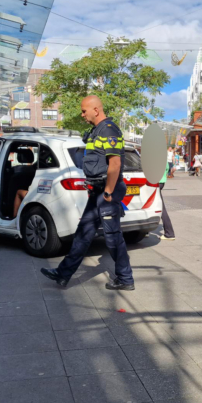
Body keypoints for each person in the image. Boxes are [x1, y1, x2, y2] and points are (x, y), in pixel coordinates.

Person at [40, 96, 134, 291]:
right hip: (98, 191)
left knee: (112, 236)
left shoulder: (109, 130)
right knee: (83, 233)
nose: (82, 115)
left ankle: (125, 279)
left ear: (96, 110)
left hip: (107, 191)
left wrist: (108, 192)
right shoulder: (96, 131)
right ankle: (63, 274)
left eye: (84, 111)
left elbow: (115, 164)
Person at [159, 161, 175, 240]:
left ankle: (169, 233)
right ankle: (144, 231)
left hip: (155, 182)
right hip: (161, 181)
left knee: (161, 207)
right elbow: (167, 167)